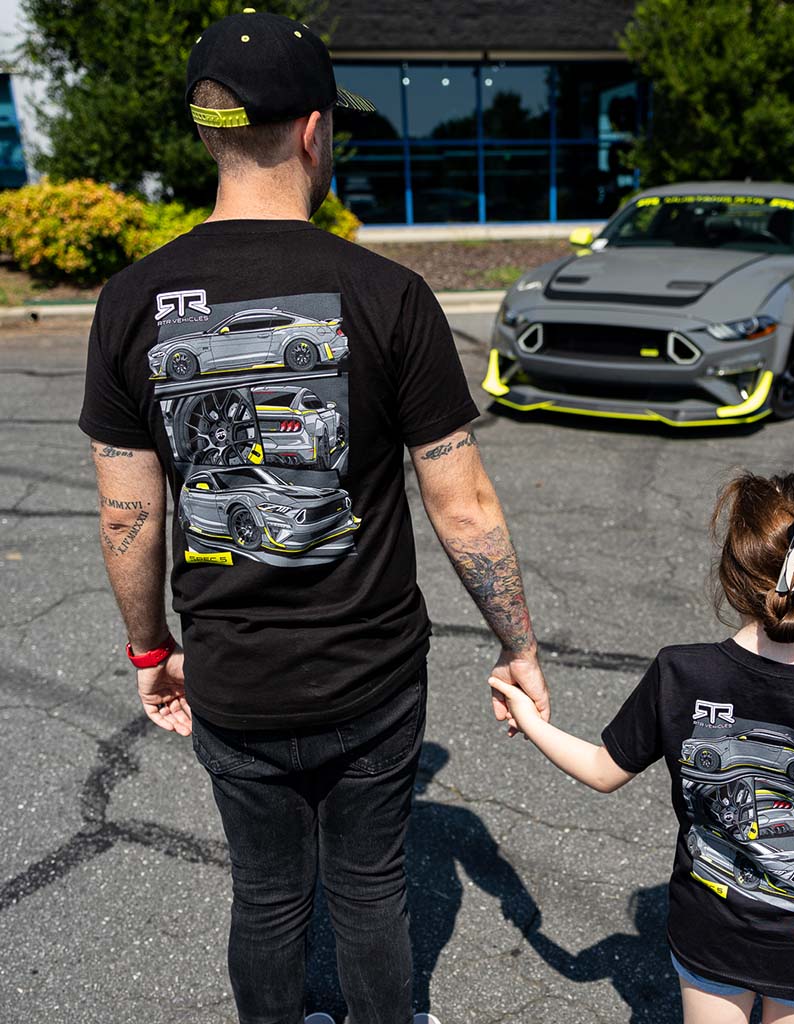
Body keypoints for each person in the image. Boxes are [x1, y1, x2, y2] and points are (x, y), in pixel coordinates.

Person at [78, 9, 549, 1024]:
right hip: (370, 679)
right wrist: (517, 643)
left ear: (212, 134)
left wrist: (149, 652)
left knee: (265, 892)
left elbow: (128, 517)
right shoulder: (387, 293)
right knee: (371, 889)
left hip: (237, 681)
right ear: (310, 131)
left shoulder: (129, 301)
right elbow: (461, 502)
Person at [490, 472, 794, 1024]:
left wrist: (531, 719)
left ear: (732, 572)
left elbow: (600, 770)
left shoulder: (680, 672)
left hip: (709, 934)